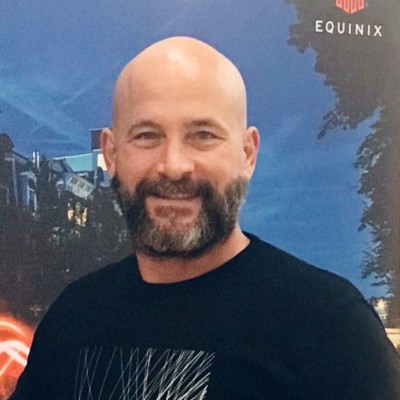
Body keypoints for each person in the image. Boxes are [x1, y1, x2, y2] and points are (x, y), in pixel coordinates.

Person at [10, 36, 400, 400]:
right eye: (147, 135)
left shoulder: (333, 331)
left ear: (247, 154)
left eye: (203, 135)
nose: (174, 165)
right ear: (111, 155)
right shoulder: (73, 316)